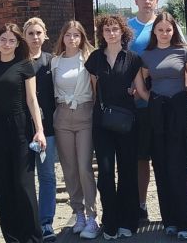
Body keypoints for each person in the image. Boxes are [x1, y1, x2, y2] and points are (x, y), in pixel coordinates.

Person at [85, 14, 150, 240]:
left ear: (123, 32)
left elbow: (141, 90)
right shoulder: (95, 58)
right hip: (102, 121)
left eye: (115, 29)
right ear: (101, 34)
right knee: (105, 172)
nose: (111, 33)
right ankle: (110, 221)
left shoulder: (133, 59)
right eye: (107, 30)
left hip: (127, 121)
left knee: (127, 171)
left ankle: (128, 220)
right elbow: (94, 91)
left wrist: (158, 102)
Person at [0, 22, 46, 243]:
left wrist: (39, 130)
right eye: (3, 39)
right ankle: (12, 238)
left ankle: (33, 238)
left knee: (23, 184)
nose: (7, 43)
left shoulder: (25, 65)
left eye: (11, 40)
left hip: (21, 127)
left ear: (18, 43)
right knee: (2, 184)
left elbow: (32, 100)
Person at [141, 12, 187, 239]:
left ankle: (186, 223)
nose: (164, 33)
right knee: (161, 167)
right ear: (154, 31)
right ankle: (169, 221)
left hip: (178, 114)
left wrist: (182, 97)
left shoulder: (184, 52)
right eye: (160, 30)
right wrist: (153, 101)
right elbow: (141, 85)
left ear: (174, 30)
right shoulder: (147, 55)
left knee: (177, 168)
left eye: (168, 29)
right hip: (157, 115)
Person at [51, 20, 100, 238]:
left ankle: (92, 215)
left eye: (76, 35)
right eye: (68, 35)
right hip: (62, 116)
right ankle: (78, 212)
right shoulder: (55, 62)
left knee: (84, 167)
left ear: (82, 37)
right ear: (62, 37)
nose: (72, 39)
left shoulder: (89, 58)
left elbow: (96, 89)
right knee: (69, 168)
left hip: (84, 113)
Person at [24, 17, 58, 242]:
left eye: (38, 33)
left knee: (47, 175)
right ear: (24, 36)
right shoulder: (18, 62)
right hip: (22, 128)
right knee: (24, 178)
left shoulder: (52, 62)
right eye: (30, 33)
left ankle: (46, 222)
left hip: (47, 129)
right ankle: (28, 221)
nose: (35, 37)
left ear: (45, 35)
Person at [127, 0, 159, 221]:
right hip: (134, 104)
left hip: (160, 101)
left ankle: (172, 207)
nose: (147, 1)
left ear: (156, 1)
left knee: (164, 156)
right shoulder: (127, 28)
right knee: (140, 158)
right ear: (136, 1)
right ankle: (140, 205)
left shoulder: (165, 25)